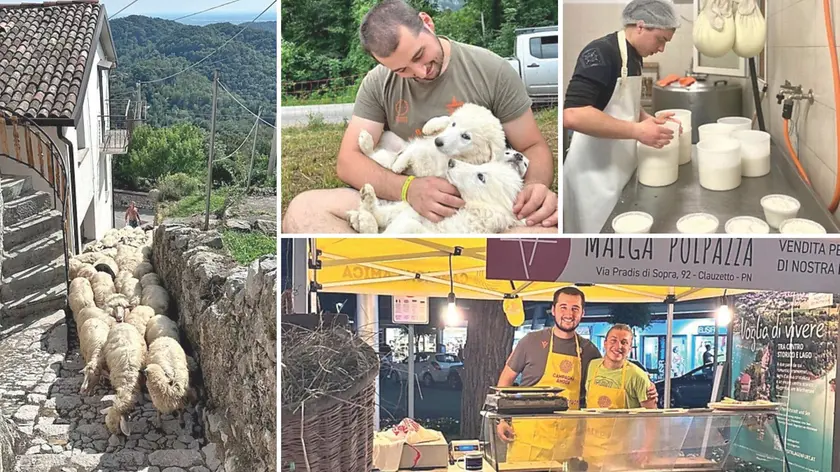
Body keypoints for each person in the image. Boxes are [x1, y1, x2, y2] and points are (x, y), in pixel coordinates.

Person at [282, 0, 557, 233]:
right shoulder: (378, 83)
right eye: (402, 69)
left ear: (427, 22)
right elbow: (349, 160)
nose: (420, 71)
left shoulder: (491, 70)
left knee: (550, 231)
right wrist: (408, 189)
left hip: (477, 206)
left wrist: (534, 187)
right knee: (301, 212)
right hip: (397, 200)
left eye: (420, 55)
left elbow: (533, 146)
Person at [494, 286, 658, 462]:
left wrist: (647, 387)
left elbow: (611, 369)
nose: (569, 314)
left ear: (582, 313)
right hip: (528, 443)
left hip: (569, 446)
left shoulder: (589, 350)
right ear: (553, 310)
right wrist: (502, 419)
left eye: (575, 309)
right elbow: (505, 380)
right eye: (563, 307)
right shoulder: (530, 342)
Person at [562, 0, 681, 233]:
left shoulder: (634, 56)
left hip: (618, 170)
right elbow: (573, 115)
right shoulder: (601, 52)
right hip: (592, 179)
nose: (661, 49)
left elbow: (619, 105)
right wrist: (638, 131)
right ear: (640, 26)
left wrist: (647, 119)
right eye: (660, 39)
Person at [582, 324, 657, 468]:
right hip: (589, 453)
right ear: (605, 343)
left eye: (624, 342)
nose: (618, 346)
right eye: (613, 340)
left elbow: (652, 417)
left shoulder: (637, 376)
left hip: (619, 457)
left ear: (630, 348)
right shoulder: (592, 366)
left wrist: (647, 448)